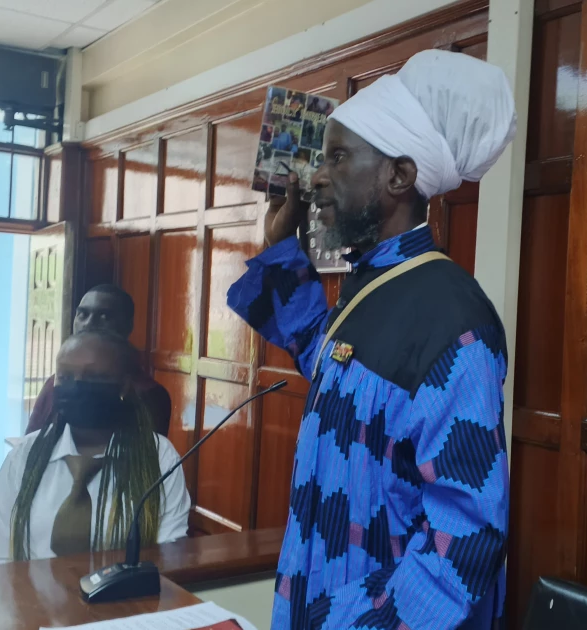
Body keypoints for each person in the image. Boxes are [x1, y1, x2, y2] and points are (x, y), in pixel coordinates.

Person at [226, 50, 516, 630]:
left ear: (399, 176)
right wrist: (285, 251)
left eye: (337, 157)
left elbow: (466, 540)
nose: (317, 177)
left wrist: (348, 620)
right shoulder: (372, 284)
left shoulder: (452, 317)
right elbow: (328, 362)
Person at [0, 331, 190, 565]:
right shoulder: (23, 458)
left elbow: (169, 557)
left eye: (94, 376)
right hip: (32, 599)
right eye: (65, 376)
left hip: (125, 598)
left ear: (123, 386)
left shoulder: (159, 458)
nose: (77, 386)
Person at [26, 285, 172, 437]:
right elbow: (31, 446)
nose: (89, 323)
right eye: (82, 314)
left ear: (128, 325)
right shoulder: (56, 384)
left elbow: (143, 456)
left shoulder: (148, 393)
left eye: (104, 317)